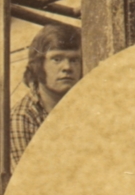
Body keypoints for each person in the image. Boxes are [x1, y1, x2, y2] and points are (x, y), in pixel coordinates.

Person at [10, 24, 82, 170]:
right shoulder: (23, 117)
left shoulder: (87, 106)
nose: (67, 67)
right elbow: (28, 179)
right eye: (57, 59)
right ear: (39, 65)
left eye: (74, 60)